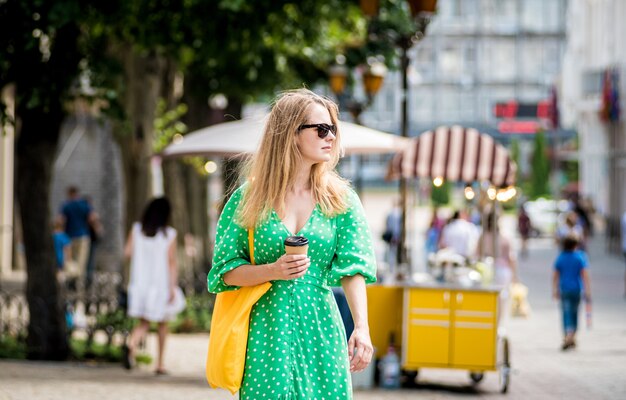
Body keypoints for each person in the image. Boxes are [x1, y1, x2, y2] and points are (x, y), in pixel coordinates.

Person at [207, 89, 377, 399]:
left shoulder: (342, 200)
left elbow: (354, 269)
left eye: (334, 129)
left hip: (321, 327)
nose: (331, 137)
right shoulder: (247, 199)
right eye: (321, 129)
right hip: (266, 330)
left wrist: (361, 328)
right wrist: (272, 270)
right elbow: (225, 272)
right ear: (290, 133)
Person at [123, 197, 178, 374]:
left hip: (140, 284)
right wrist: (172, 287)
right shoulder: (169, 234)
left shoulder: (137, 230)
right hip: (160, 284)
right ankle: (160, 363)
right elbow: (171, 262)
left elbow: (127, 252)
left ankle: (131, 345)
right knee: (163, 324)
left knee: (144, 322)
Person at [552, 234, 592, 350]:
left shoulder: (561, 257)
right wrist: (588, 290)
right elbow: (585, 275)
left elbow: (555, 275)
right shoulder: (580, 257)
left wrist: (554, 289)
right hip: (577, 289)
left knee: (566, 313)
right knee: (575, 313)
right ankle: (572, 335)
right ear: (576, 245)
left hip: (564, 289)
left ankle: (567, 335)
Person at [59, 186, 98, 294]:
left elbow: (61, 220)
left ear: (69, 193)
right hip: (83, 236)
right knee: (81, 262)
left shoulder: (66, 205)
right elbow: (92, 218)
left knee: (70, 260)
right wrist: (96, 229)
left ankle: (70, 284)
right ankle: (79, 286)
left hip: (69, 237)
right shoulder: (84, 205)